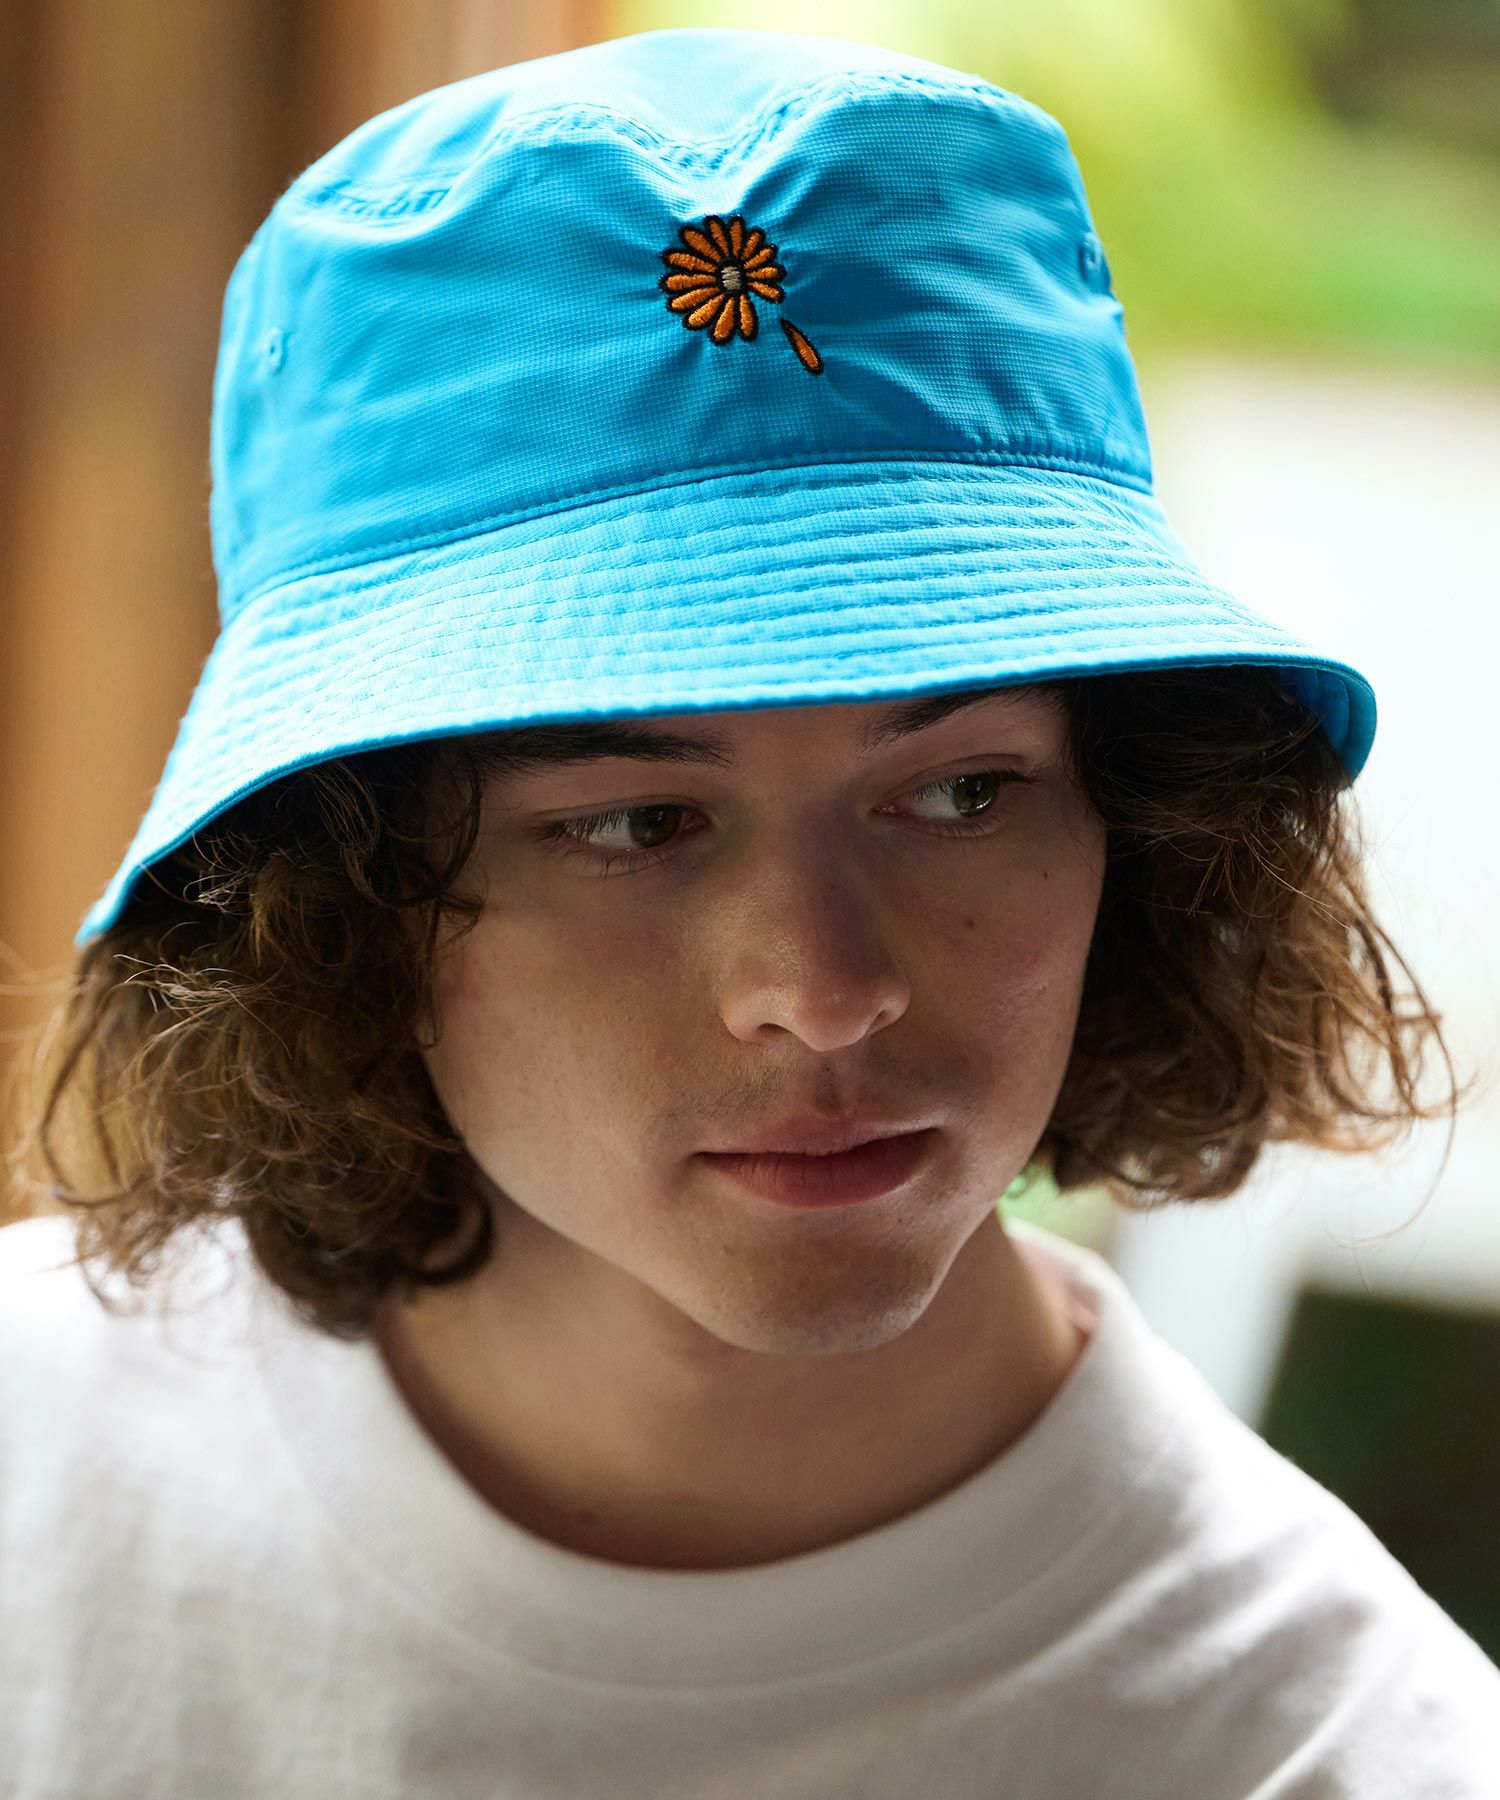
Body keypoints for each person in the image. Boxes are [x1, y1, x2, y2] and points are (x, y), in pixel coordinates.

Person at [3, 26, 1496, 1798]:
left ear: (1144, 824)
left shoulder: (1332, 1748)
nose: (824, 988)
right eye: (637, 823)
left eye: (960, 794)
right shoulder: (36, 1477)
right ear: (336, 898)